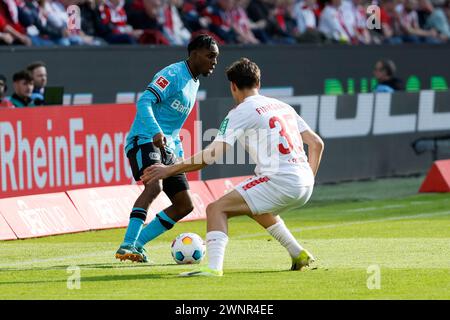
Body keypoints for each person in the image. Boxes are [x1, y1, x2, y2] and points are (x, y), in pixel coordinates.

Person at [141, 57, 324, 276]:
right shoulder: (282, 106)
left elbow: (210, 156)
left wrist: (168, 170)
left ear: (233, 86)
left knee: (216, 209)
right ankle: (298, 253)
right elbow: (316, 144)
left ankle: (213, 269)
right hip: (305, 181)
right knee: (256, 207)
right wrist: (308, 179)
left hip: (281, 180)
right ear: (259, 83)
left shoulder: (240, 112)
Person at [115, 34, 220, 263]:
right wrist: (155, 131)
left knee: (185, 204)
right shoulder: (172, 74)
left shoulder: (194, 83)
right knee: (154, 186)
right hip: (144, 138)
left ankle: (138, 244)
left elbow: (175, 126)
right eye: (210, 56)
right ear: (194, 54)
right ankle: (127, 244)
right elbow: (144, 101)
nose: (214, 61)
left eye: (216, 58)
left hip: (168, 146)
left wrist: (179, 157)